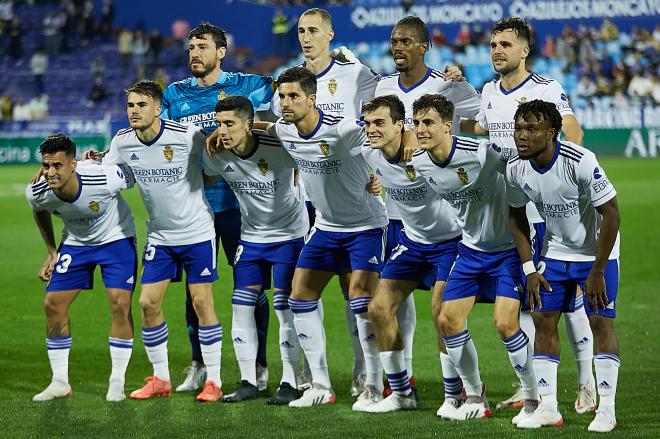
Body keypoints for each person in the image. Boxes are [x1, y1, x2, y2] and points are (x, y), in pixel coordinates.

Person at [461, 17, 595, 413]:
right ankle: (534, 386)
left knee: (562, 300)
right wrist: (452, 100)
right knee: (523, 303)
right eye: (492, 45)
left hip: (540, 215)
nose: (497, 50)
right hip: (507, 212)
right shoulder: (488, 90)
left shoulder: (545, 89)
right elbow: (483, 129)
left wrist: (554, 179)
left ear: (524, 50)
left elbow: (573, 131)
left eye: (505, 44)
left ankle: (587, 384)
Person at [264, 66, 388, 407]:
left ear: (312, 99)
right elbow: (261, 130)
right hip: (326, 228)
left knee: (362, 302)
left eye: (294, 96)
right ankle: (320, 386)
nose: (286, 102)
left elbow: (384, 139)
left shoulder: (343, 129)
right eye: (282, 96)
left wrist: (378, 175)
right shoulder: (284, 130)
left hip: (366, 225)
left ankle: (373, 385)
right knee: (299, 297)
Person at [410, 94, 538, 425]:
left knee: (505, 323)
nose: (421, 130)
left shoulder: (480, 153)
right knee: (447, 319)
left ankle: (532, 396)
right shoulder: (421, 163)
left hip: (507, 251)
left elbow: (518, 169)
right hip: (470, 251)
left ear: (447, 126)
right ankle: (475, 395)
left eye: (428, 123)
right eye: (417, 123)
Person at [161, 22, 274, 394]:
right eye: (190, 47)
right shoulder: (175, 94)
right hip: (194, 210)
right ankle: (198, 364)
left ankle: (258, 365)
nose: (194, 53)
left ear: (221, 51)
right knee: (195, 293)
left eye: (202, 46)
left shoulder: (248, 86)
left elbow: (293, 92)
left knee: (252, 287)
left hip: (242, 207)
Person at [373, 15, 481, 397]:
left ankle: (459, 389)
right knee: (391, 303)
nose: (397, 47)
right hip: (396, 216)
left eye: (405, 41)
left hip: (442, 213)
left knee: (441, 307)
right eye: (393, 41)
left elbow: (480, 119)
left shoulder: (443, 84)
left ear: (423, 46)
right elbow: (371, 128)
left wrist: (462, 80)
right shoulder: (383, 85)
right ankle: (400, 382)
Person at [103, 80, 223, 402]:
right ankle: (161, 378)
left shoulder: (185, 136)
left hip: (197, 232)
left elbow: (212, 167)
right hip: (160, 234)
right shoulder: (123, 142)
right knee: (147, 303)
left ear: (158, 108)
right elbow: (107, 171)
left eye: (141, 105)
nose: (134, 111)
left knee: (201, 302)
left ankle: (214, 380)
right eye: (130, 105)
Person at [506, 100, 621, 432]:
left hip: (598, 254)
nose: (521, 136)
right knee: (543, 321)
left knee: (601, 323)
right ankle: (548, 407)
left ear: (552, 133)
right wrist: (529, 268)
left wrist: (597, 271)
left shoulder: (580, 161)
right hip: (556, 252)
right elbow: (515, 216)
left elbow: (611, 214)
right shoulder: (516, 167)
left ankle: (606, 409)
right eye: (518, 128)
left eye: (531, 129)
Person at [357, 95, 462, 414]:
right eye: (368, 123)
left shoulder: (425, 151)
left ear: (399, 125)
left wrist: (417, 137)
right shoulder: (368, 154)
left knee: (441, 314)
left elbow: (452, 142)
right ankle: (402, 393)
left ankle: (455, 395)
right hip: (414, 243)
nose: (371, 130)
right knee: (378, 309)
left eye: (379, 123)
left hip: (452, 241)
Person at [203, 95, 309, 404]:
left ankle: (291, 380)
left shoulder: (278, 146)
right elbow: (206, 175)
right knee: (241, 305)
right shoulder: (216, 155)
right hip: (250, 238)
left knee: (284, 308)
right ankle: (249, 380)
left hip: (289, 236)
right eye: (218, 124)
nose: (222, 131)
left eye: (230, 124)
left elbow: (306, 149)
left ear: (249, 125)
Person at [27, 133, 137, 402]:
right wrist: (52, 251)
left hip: (116, 238)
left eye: (57, 166)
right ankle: (60, 381)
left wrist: (102, 157)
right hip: (75, 243)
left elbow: (132, 173)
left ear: (73, 164)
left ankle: (117, 382)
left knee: (120, 303)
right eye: (46, 165)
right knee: (53, 303)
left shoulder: (102, 177)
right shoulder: (37, 190)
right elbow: (38, 209)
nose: (50, 173)